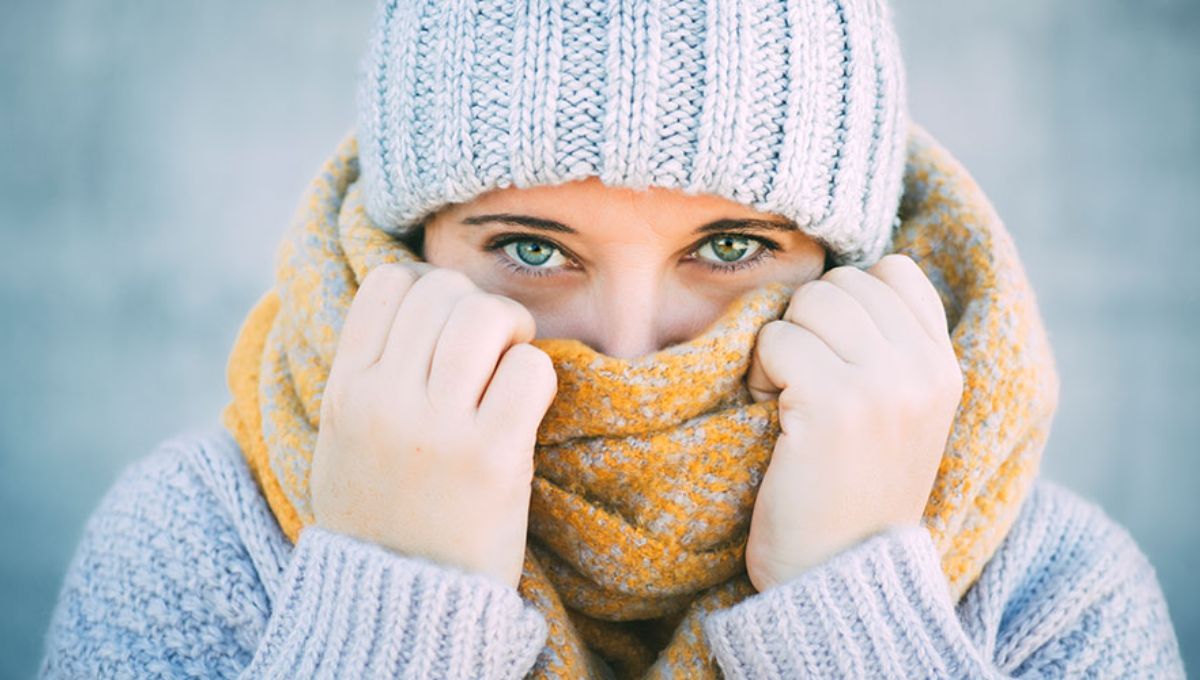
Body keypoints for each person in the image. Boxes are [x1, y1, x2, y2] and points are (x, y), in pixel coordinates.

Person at [40, 1, 1185, 678]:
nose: (629, 353)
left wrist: (857, 608)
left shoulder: (1048, 591)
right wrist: (390, 605)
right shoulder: (204, 544)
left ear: (848, 266)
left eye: (730, 246)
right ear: (406, 246)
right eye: (530, 249)